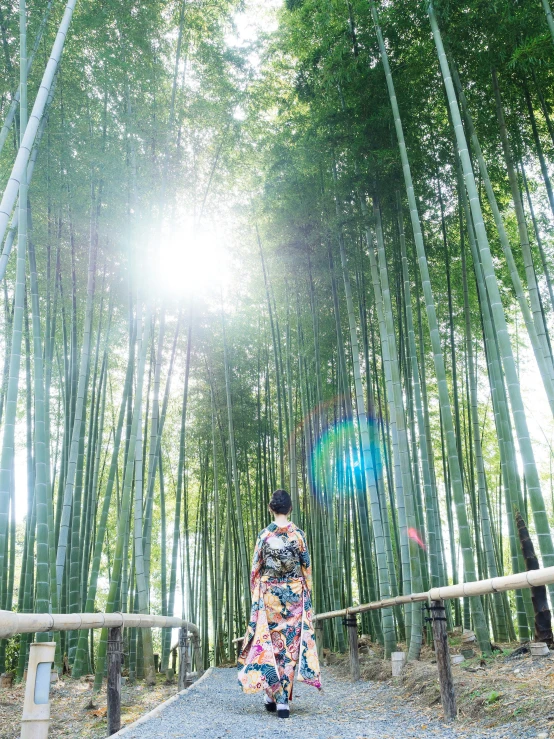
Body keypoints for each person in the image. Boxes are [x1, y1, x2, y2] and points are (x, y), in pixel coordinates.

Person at [237, 489, 321, 718]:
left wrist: (257, 595)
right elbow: (307, 569)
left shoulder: (264, 535)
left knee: (269, 645)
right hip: (294, 595)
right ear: (290, 508)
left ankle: (271, 693)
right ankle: (282, 700)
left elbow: (255, 570)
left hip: (270, 596)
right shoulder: (299, 535)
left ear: (271, 508)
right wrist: (307, 596)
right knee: (290, 648)